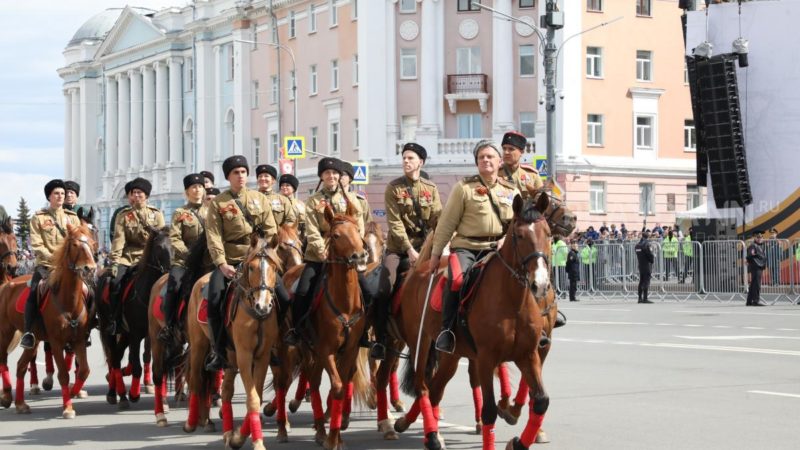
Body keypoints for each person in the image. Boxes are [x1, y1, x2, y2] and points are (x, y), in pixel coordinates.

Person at [429, 140, 519, 354]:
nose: (485, 160)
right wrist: (435, 254)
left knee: (526, 275)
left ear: (499, 162)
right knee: (457, 280)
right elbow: (446, 223)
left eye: (490, 157)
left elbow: (518, 222)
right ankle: (447, 330)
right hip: (467, 248)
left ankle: (535, 325)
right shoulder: (464, 188)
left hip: (498, 248)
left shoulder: (511, 191)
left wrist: (506, 239)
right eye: (481, 157)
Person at [205, 155, 280, 370]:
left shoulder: (259, 199)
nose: (240, 176)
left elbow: (271, 229)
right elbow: (214, 235)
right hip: (231, 260)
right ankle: (218, 350)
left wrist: (264, 252)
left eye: (243, 172)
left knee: (284, 295)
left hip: (258, 258)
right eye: (236, 173)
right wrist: (221, 263)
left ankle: (276, 345)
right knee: (215, 296)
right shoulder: (219, 203)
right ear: (228, 177)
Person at [284, 157, 364, 346]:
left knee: (368, 290)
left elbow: (359, 224)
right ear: (321, 176)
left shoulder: (351, 199)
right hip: (319, 257)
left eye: (335, 173)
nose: (332, 176)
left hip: (348, 257)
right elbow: (312, 230)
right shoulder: (314, 201)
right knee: (302, 291)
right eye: (327, 173)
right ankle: (297, 330)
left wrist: (357, 246)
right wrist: (322, 251)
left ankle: (365, 332)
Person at [379, 142, 441, 359]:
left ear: (420, 162)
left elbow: (437, 219)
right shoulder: (393, 188)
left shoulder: (430, 189)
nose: (406, 161)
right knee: (383, 287)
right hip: (398, 249)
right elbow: (394, 224)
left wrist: (443, 242)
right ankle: (379, 336)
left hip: (425, 248)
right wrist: (409, 250)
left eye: (410, 158)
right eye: (404, 158)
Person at [20, 180, 82, 349]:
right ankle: (28, 332)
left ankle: (88, 326)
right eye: (56, 193)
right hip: (46, 265)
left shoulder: (73, 218)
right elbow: (37, 245)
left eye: (62, 193)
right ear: (49, 196)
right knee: (34, 291)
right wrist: (56, 259)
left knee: (87, 289)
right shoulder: (38, 218)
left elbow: (78, 241)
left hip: (69, 267)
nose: (61, 196)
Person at [107, 178, 165, 335]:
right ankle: (115, 319)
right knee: (115, 283)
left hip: (151, 259)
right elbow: (119, 240)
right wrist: (114, 262)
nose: (137, 195)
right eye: (134, 193)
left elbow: (161, 241)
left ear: (146, 196)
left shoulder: (156, 215)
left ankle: (168, 320)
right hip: (129, 258)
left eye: (140, 193)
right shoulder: (124, 215)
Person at [158, 174, 208, 343]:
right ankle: (169, 325)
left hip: (207, 261)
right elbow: (175, 238)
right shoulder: (180, 213)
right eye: (193, 187)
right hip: (184, 261)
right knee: (173, 286)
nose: (197, 190)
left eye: (200, 186)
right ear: (187, 192)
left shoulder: (212, 211)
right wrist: (188, 255)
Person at [499, 131, 543, 199]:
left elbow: (542, 199)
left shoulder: (532, 174)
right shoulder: (495, 173)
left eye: (511, 149)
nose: (506, 152)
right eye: (504, 148)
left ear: (521, 152)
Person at [340, 161, 374, 226]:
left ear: (350, 178)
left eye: (344, 174)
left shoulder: (360, 201)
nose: (341, 177)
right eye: (339, 174)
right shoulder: (329, 198)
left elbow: (368, 224)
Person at [745, 230, 767, 307]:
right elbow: (750, 256)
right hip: (756, 266)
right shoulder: (753, 246)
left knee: (753, 284)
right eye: (758, 237)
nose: (760, 238)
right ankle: (756, 301)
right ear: (755, 238)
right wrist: (749, 261)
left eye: (761, 237)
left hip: (759, 266)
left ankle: (749, 301)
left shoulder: (761, 245)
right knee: (757, 284)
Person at [635, 232, 654, 304]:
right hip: (646, 264)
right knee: (646, 281)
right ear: (647, 237)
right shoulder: (646, 244)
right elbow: (649, 254)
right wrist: (652, 260)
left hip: (640, 264)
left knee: (641, 281)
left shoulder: (637, 245)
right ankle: (645, 298)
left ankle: (640, 298)